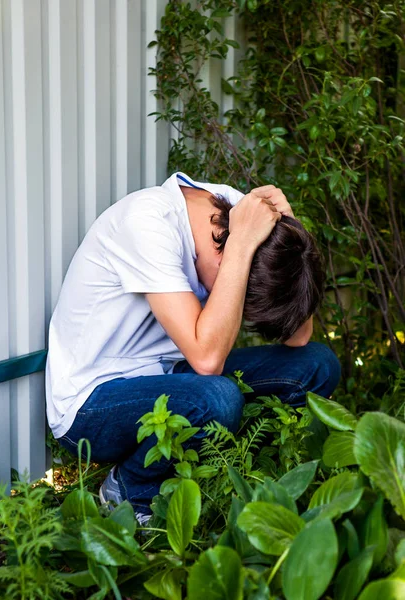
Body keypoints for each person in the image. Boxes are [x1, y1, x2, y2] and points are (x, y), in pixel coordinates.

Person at [46, 172, 341, 524]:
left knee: (317, 365)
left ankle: (235, 471)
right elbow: (206, 360)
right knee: (217, 398)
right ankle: (130, 489)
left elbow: (298, 337)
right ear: (225, 254)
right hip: (91, 404)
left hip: (171, 377)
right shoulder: (147, 222)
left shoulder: (233, 212)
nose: (232, 299)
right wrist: (241, 250)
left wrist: (290, 229)